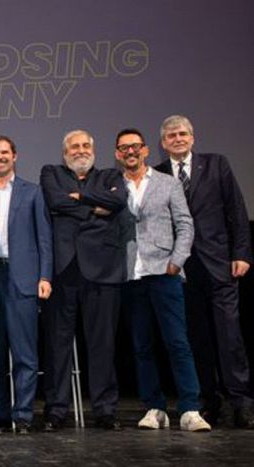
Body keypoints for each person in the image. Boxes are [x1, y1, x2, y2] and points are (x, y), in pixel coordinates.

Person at [154, 115, 254, 427]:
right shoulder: (156, 174)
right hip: (180, 268)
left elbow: (236, 209)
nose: (178, 139)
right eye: (171, 136)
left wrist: (241, 252)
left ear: (193, 138)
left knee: (229, 334)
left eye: (183, 134)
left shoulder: (216, 165)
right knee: (197, 337)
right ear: (163, 143)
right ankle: (210, 401)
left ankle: (242, 401)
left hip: (219, 263)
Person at [114, 128, 210, 432]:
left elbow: (185, 225)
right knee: (142, 346)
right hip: (131, 275)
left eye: (135, 147)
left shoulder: (168, 183)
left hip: (164, 274)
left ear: (145, 150)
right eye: (123, 148)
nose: (130, 152)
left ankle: (190, 408)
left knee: (177, 342)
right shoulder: (113, 186)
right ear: (117, 154)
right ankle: (153, 407)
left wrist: (176, 261)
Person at [40, 129, 127, 431]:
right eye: (74, 147)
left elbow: (119, 202)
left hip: (102, 271)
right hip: (63, 271)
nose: (80, 150)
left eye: (85, 145)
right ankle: (56, 409)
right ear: (65, 153)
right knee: (57, 344)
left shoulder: (111, 176)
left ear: (94, 149)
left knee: (102, 344)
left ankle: (104, 409)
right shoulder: (51, 172)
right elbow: (54, 201)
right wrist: (96, 208)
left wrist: (80, 198)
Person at [0, 136, 53, 434]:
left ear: (15, 155)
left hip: (22, 278)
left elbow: (44, 238)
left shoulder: (33, 192)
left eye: (4, 152)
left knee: (25, 353)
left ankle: (23, 415)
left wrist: (45, 276)